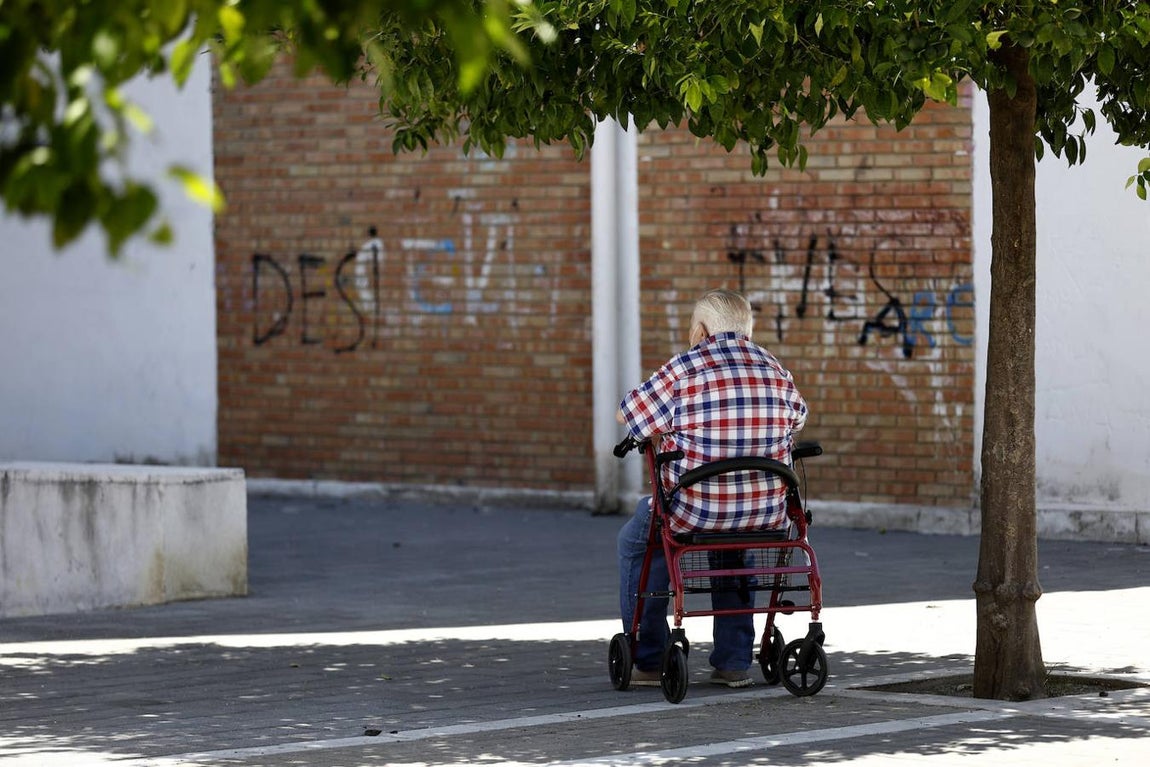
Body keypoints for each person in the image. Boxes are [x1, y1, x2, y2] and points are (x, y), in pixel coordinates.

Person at [615, 288, 808, 688]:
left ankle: (648, 659)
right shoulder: (774, 369)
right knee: (733, 538)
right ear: (746, 329)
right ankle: (734, 661)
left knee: (639, 539)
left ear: (701, 329)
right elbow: (798, 419)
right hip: (763, 512)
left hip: (693, 510)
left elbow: (627, 414)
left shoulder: (685, 368)